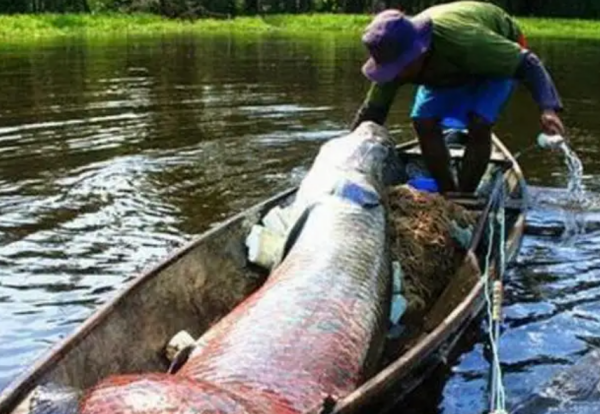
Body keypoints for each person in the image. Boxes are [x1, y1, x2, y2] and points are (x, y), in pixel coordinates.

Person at [350, 1, 565, 194]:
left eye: (399, 68)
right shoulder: (392, 59)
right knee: (423, 121)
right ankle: (448, 193)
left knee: (479, 122)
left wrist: (548, 108)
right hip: (446, 68)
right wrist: (348, 151)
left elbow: (528, 63)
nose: (395, 75)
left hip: (496, 51)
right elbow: (373, 112)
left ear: (419, 53)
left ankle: (465, 196)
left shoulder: (467, 43)